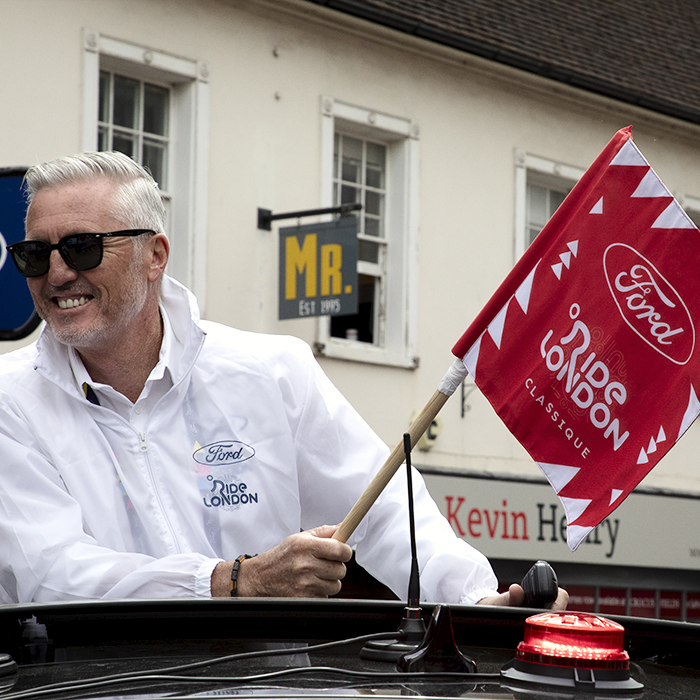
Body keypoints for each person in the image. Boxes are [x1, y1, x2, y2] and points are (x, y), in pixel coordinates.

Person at [0, 151, 567, 609]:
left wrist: (474, 599)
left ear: (155, 255)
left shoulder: (273, 371)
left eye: (81, 246)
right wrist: (233, 581)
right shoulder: (9, 399)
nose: (56, 272)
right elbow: (50, 575)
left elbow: (388, 508)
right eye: (33, 254)